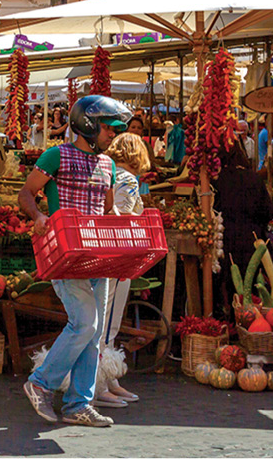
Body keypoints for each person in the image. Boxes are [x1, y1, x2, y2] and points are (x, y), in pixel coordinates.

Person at [20, 94, 131, 428]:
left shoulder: (108, 165)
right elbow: (26, 193)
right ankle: (40, 382)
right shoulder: (56, 156)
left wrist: (124, 224)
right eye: (109, 128)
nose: (113, 135)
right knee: (85, 323)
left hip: (99, 256)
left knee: (94, 335)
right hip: (66, 254)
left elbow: (107, 211)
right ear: (88, 124)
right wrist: (38, 214)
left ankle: (78, 405)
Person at [95, 132, 149, 408]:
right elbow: (123, 216)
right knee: (108, 325)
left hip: (106, 253)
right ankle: (99, 382)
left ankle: (108, 379)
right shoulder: (127, 179)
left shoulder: (108, 172)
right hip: (118, 255)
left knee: (104, 322)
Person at [212, 140, 273, 314]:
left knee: (230, 283)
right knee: (250, 284)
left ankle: (231, 319)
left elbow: (214, 210)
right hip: (252, 240)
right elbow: (269, 211)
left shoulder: (219, 181)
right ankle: (250, 320)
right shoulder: (254, 177)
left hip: (227, 240)